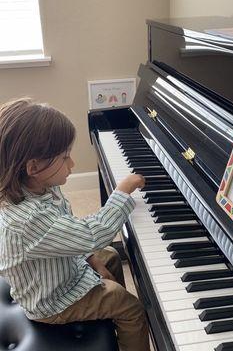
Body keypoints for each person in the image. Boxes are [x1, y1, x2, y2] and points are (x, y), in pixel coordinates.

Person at [0, 98, 151, 351]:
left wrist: (94, 261)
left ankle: (110, 316)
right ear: (34, 167)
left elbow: (68, 230)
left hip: (58, 268)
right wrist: (122, 191)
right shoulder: (28, 220)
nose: (72, 164)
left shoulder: (43, 187)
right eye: (65, 157)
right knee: (131, 308)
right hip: (50, 299)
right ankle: (122, 318)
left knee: (111, 256)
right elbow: (92, 233)